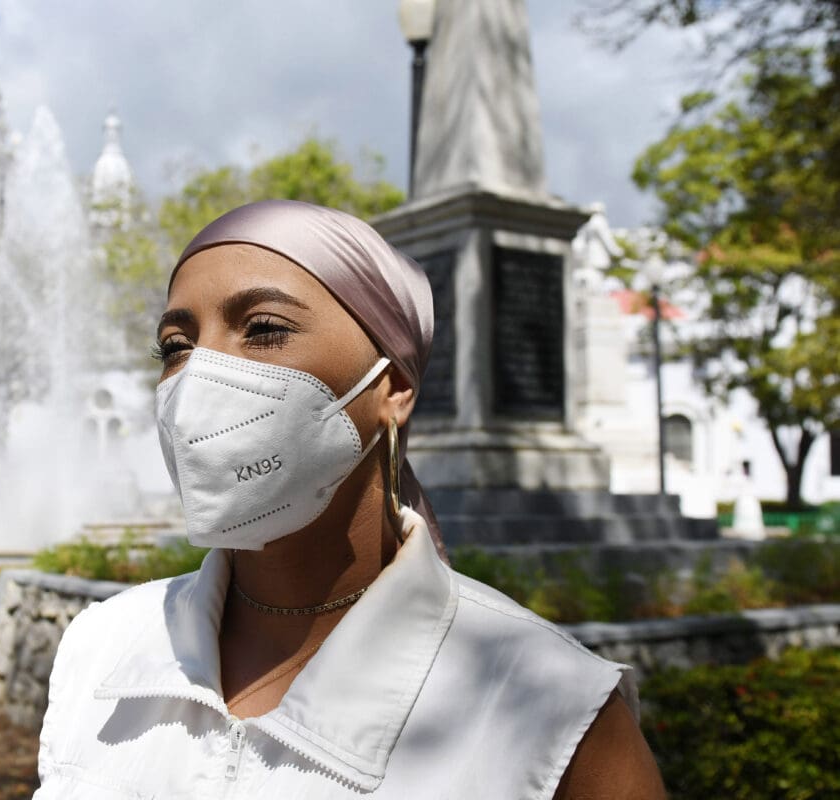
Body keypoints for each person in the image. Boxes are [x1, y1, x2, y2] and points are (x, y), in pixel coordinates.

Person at [35, 200, 665, 798]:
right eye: (176, 345)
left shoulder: (552, 713)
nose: (199, 375)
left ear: (392, 386)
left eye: (263, 330)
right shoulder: (101, 648)